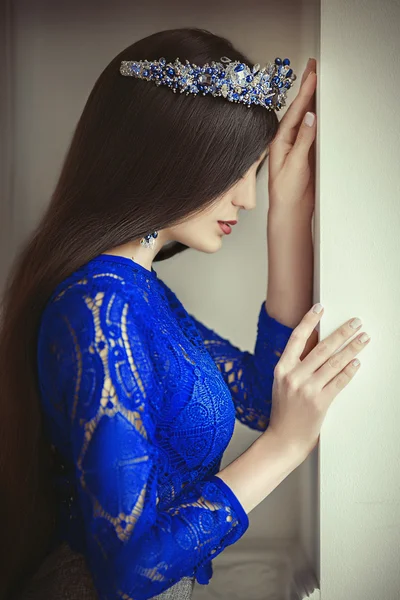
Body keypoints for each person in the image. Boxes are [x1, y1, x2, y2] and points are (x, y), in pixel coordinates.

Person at [0, 27, 371, 600]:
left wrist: (290, 210)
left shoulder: (135, 292)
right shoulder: (98, 309)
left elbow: (265, 393)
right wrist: (283, 449)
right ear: (169, 157)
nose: (247, 198)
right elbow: (128, 574)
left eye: (254, 174)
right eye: (235, 171)